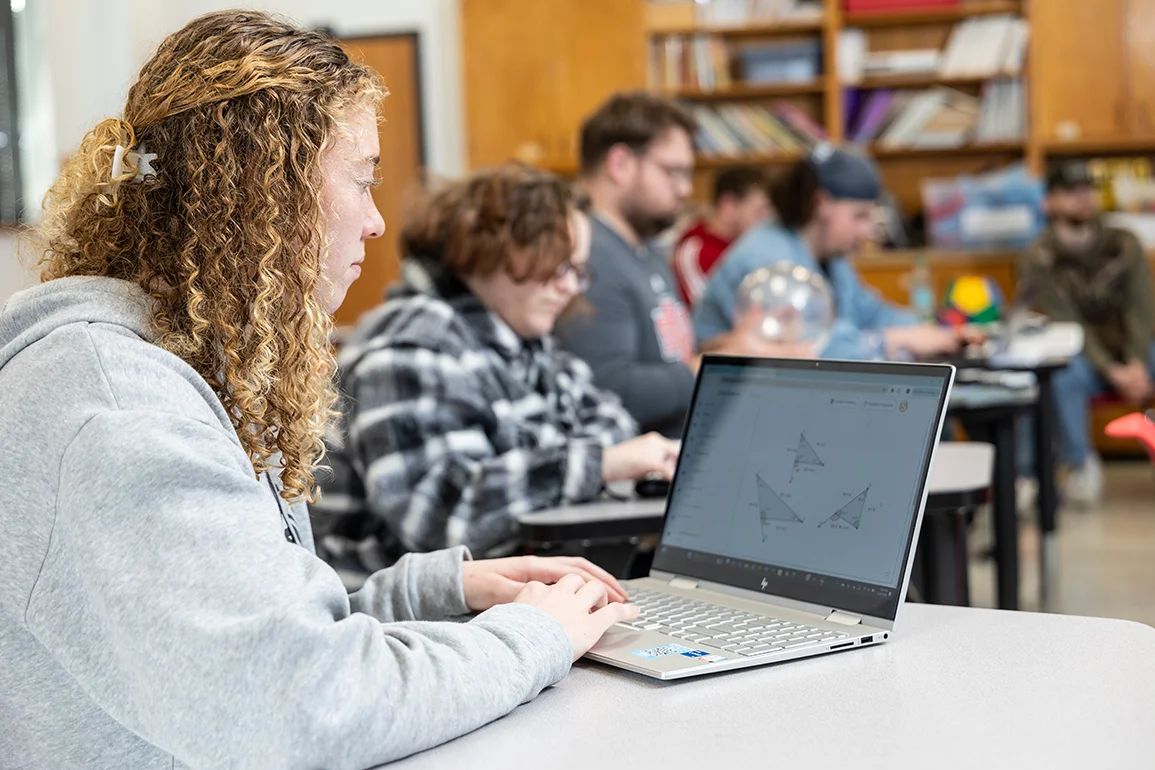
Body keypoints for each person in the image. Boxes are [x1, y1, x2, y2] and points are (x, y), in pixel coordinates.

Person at [0, 12, 637, 769]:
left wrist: (435, 592)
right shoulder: (116, 407)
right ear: (260, 196)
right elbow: (298, 705)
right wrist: (534, 638)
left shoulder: (187, 361)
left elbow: (245, 643)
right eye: (362, 180)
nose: (374, 223)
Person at [314, 163, 679, 569]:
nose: (569, 287)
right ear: (489, 248)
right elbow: (443, 518)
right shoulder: (409, 347)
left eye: (577, 271)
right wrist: (598, 465)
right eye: (556, 264)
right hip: (391, 613)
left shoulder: (522, 341)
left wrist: (551, 466)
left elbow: (612, 424)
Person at [556, 92, 804, 438]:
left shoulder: (646, 248)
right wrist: (726, 365)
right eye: (673, 172)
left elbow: (666, 358)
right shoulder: (587, 255)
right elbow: (606, 389)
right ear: (620, 164)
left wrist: (733, 345)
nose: (686, 189)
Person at [693, 146, 967, 361]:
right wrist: (895, 339)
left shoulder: (830, 256)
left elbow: (869, 312)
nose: (866, 231)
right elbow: (812, 346)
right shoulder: (766, 263)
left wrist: (937, 332)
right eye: (859, 216)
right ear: (821, 202)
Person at [1018, 161, 1155, 506]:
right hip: (1083, 357)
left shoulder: (1124, 243)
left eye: (1087, 190)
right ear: (1049, 202)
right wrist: (1113, 370)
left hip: (1135, 351)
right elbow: (1067, 322)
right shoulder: (1038, 257)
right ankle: (1079, 465)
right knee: (1060, 373)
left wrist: (1136, 361)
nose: (1082, 199)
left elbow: (1142, 308)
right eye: (1070, 192)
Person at [673, 165, 772, 307]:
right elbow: (709, 313)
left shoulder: (747, 245)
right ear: (728, 205)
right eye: (758, 212)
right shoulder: (696, 252)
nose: (765, 221)